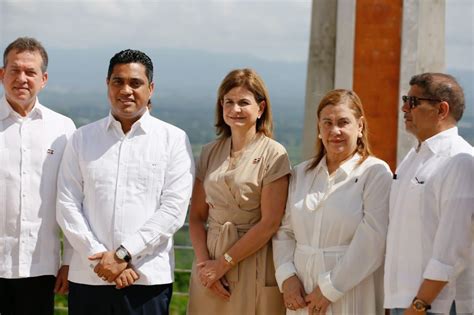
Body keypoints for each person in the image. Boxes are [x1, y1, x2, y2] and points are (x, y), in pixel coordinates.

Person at [56, 49, 194, 314]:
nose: (126, 90)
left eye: (136, 83)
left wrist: (122, 255)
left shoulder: (173, 140)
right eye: (118, 81)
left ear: (151, 88)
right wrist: (100, 258)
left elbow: (173, 210)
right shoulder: (82, 139)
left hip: (146, 280)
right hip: (89, 277)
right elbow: (67, 203)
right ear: (107, 85)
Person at [273, 89, 392, 314]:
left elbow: (373, 240)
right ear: (319, 128)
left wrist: (329, 289)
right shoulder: (301, 174)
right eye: (327, 123)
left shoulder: (375, 173)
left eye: (343, 122)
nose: (334, 130)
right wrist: (286, 277)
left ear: (360, 126)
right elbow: (284, 231)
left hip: (351, 290)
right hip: (300, 294)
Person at [187, 68, 291, 315]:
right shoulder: (210, 151)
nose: (235, 110)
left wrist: (223, 265)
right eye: (229, 102)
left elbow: (270, 223)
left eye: (243, 102)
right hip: (208, 262)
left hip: (251, 258)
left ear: (261, 108)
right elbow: (196, 217)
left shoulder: (274, 154)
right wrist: (205, 266)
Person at [384, 73, 474, 315]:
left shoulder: (460, 161)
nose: (404, 107)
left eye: (413, 102)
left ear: (442, 110)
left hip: (439, 306)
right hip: (405, 302)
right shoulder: (413, 158)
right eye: (405, 99)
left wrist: (419, 305)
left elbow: (453, 248)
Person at [0, 37, 75, 315]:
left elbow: (71, 199)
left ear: (43, 79)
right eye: (14, 70)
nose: (22, 78)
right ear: (1, 74)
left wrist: (69, 260)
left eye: (30, 72)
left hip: (40, 267)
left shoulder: (63, 129)